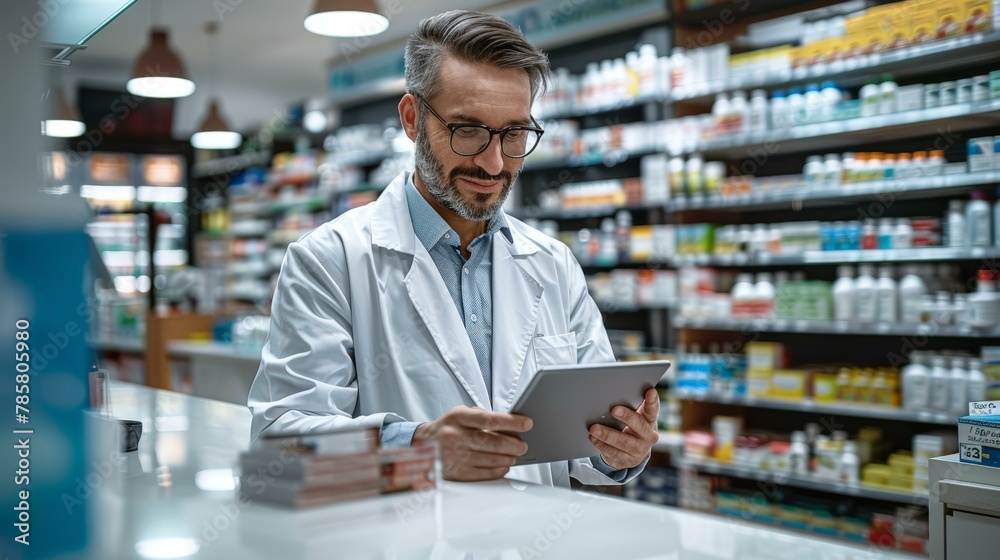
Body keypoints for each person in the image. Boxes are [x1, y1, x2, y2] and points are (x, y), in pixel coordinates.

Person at [248, 10, 658, 487]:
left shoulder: (553, 263)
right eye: (468, 130)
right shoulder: (329, 259)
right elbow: (279, 443)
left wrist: (618, 447)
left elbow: (590, 447)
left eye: (514, 133)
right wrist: (417, 447)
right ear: (412, 119)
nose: (493, 161)